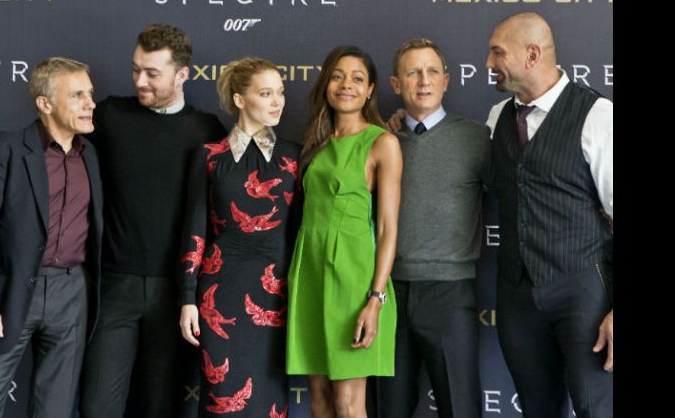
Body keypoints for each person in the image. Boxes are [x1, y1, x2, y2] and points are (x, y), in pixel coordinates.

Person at [0, 24, 227, 417]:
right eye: (135, 69)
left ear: (182, 75)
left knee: (158, 405)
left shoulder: (206, 129)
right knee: (95, 407)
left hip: (173, 292)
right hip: (109, 289)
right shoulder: (107, 116)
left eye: (152, 73)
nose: (140, 81)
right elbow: (46, 138)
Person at [485, 12, 613, 418]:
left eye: (497, 53)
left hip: (583, 292)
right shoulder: (495, 119)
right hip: (517, 296)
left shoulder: (598, 117)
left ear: (532, 54)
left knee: (597, 408)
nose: (488, 64)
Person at [0, 57, 103, 418]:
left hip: (72, 294)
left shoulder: (91, 155)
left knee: (55, 411)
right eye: (77, 95)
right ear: (45, 103)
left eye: (90, 93)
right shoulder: (2, 150)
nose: (91, 103)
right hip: (8, 294)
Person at [178, 57, 301, 417]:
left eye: (280, 92)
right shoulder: (210, 157)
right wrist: (187, 298)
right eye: (266, 93)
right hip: (221, 294)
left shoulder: (294, 157)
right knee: (222, 398)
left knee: (269, 400)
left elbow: (298, 233)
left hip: (277, 296)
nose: (277, 101)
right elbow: (195, 231)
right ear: (239, 99)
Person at [286, 45, 402, 418]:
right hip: (310, 275)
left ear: (370, 90)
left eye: (357, 78)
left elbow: (387, 228)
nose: (346, 85)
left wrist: (375, 298)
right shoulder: (316, 143)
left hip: (354, 281)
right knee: (318, 399)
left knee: (349, 404)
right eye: (337, 76)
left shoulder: (382, 143)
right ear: (325, 84)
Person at [377, 38, 490, 418]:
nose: (423, 81)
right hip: (385, 294)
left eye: (432, 72)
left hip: (449, 293)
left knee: (460, 408)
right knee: (389, 408)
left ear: (447, 80)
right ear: (396, 84)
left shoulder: (479, 139)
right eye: (412, 72)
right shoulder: (379, 139)